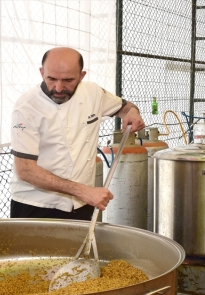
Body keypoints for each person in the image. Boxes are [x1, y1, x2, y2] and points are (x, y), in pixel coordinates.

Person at [9, 47, 146, 220]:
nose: (58, 87)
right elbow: (25, 170)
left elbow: (125, 107)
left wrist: (133, 112)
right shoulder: (26, 107)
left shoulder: (93, 93)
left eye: (68, 80)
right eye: (51, 78)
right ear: (42, 72)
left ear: (81, 76)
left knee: (82, 247)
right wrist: (83, 191)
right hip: (36, 205)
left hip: (83, 203)